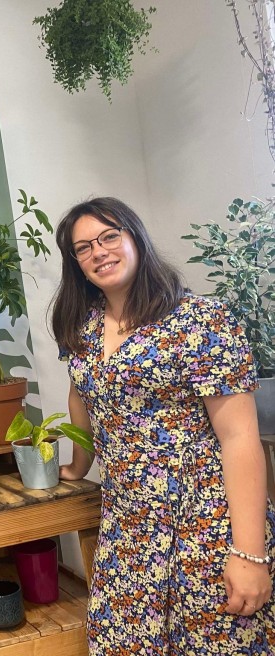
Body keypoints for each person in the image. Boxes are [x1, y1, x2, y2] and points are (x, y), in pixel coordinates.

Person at [52, 197, 275, 653]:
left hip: (205, 522)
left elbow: (239, 438)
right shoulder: (83, 327)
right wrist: (78, 465)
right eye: (83, 247)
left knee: (216, 644)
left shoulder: (201, 321)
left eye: (109, 236)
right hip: (128, 527)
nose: (98, 252)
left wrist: (250, 554)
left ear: (136, 238)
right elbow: (82, 394)